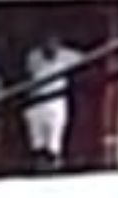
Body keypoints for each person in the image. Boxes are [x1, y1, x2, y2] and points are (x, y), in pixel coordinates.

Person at [24, 35, 84, 170]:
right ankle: (39, 169)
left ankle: (54, 170)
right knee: (37, 145)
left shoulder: (67, 56)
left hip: (56, 104)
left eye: (53, 44)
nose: (50, 47)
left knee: (54, 146)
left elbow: (85, 60)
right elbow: (28, 75)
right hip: (36, 104)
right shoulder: (33, 57)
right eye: (47, 43)